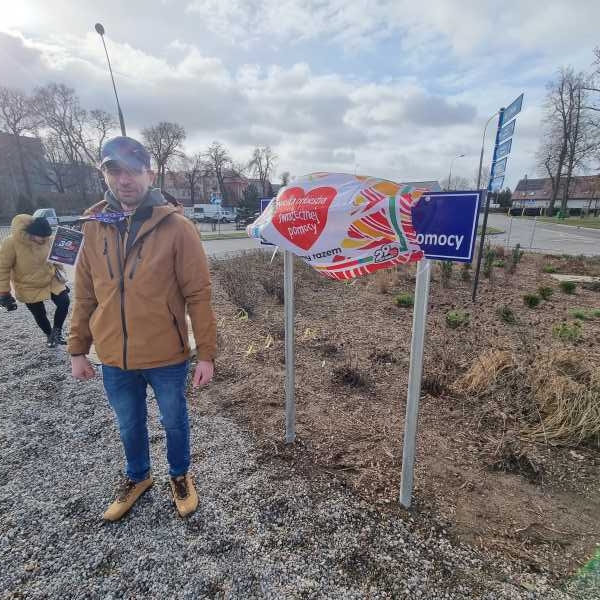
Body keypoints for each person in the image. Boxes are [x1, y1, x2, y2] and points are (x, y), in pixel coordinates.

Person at [68, 135, 216, 521]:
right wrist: (78, 348)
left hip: (167, 354)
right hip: (115, 356)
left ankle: (180, 475)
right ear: (104, 173)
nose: (124, 179)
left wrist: (207, 354)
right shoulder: (93, 226)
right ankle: (138, 477)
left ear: (149, 174)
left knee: (173, 419)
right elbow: (85, 292)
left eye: (133, 170)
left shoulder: (178, 228)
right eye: (114, 170)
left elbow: (198, 294)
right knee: (129, 422)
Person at [0, 215, 70, 348]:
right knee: (39, 313)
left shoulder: (47, 240)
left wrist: (62, 278)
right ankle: (49, 335)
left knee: (64, 302)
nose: (45, 240)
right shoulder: (11, 243)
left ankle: (57, 332)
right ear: (30, 233)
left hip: (51, 279)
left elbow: (56, 259)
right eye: (41, 237)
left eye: (47, 237)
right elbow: (2, 268)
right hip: (28, 285)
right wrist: (4, 292)